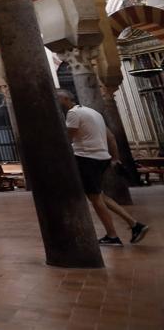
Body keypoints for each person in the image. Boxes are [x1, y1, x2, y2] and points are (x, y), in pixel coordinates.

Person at [57, 90, 149, 245]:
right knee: (99, 196)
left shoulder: (73, 114)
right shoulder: (93, 112)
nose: (56, 101)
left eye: (57, 97)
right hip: (102, 158)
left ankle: (112, 235)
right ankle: (134, 224)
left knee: (95, 199)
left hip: (86, 158)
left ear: (66, 98)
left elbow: (68, 138)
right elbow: (111, 137)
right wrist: (115, 159)